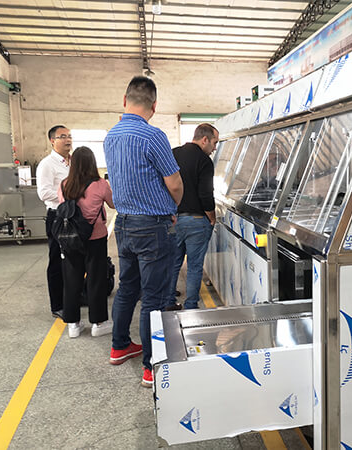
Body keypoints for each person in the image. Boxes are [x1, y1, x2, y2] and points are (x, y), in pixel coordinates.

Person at [104, 76, 183, 388]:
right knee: (154, 296)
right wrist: (174, 207)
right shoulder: (153, 136)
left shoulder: (111, 136)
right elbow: (174, 183)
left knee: (127, 288)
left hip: (123, 223)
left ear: (125, 101)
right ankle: (152, 365)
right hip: (152, 225)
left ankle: (119, 346)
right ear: (154, 105)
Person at [57, 146, 115, 338]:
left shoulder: (64, 184)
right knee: (96, 279)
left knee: (71, 279)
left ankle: (73, 324)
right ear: (92, 163)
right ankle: (98, 323)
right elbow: (113, 204)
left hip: (71, 238)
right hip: (95, 237)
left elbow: (64, 208)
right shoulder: (100, 184)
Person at [169, 124, 218, 309]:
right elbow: (206, 195)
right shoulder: (204, 161)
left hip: (174, 219)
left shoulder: (173, 154)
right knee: (194, 266)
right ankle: (190, 305)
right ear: (204, 139)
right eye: (214, 143)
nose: (214, 148)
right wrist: (212, 217)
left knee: (173, 263)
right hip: (197, 221)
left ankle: (168, 301)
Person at [36, 125, 72, 319]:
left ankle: (73, 297)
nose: (68, 140)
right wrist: (69, 196)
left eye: (69, 136)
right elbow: (44, 193)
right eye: (62, 136)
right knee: (57, 260)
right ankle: (57, 305)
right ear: (52, 140)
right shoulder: (47, 164)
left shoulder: (72, 162)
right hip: (57, 217)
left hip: (72, 216)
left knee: (73, 260)